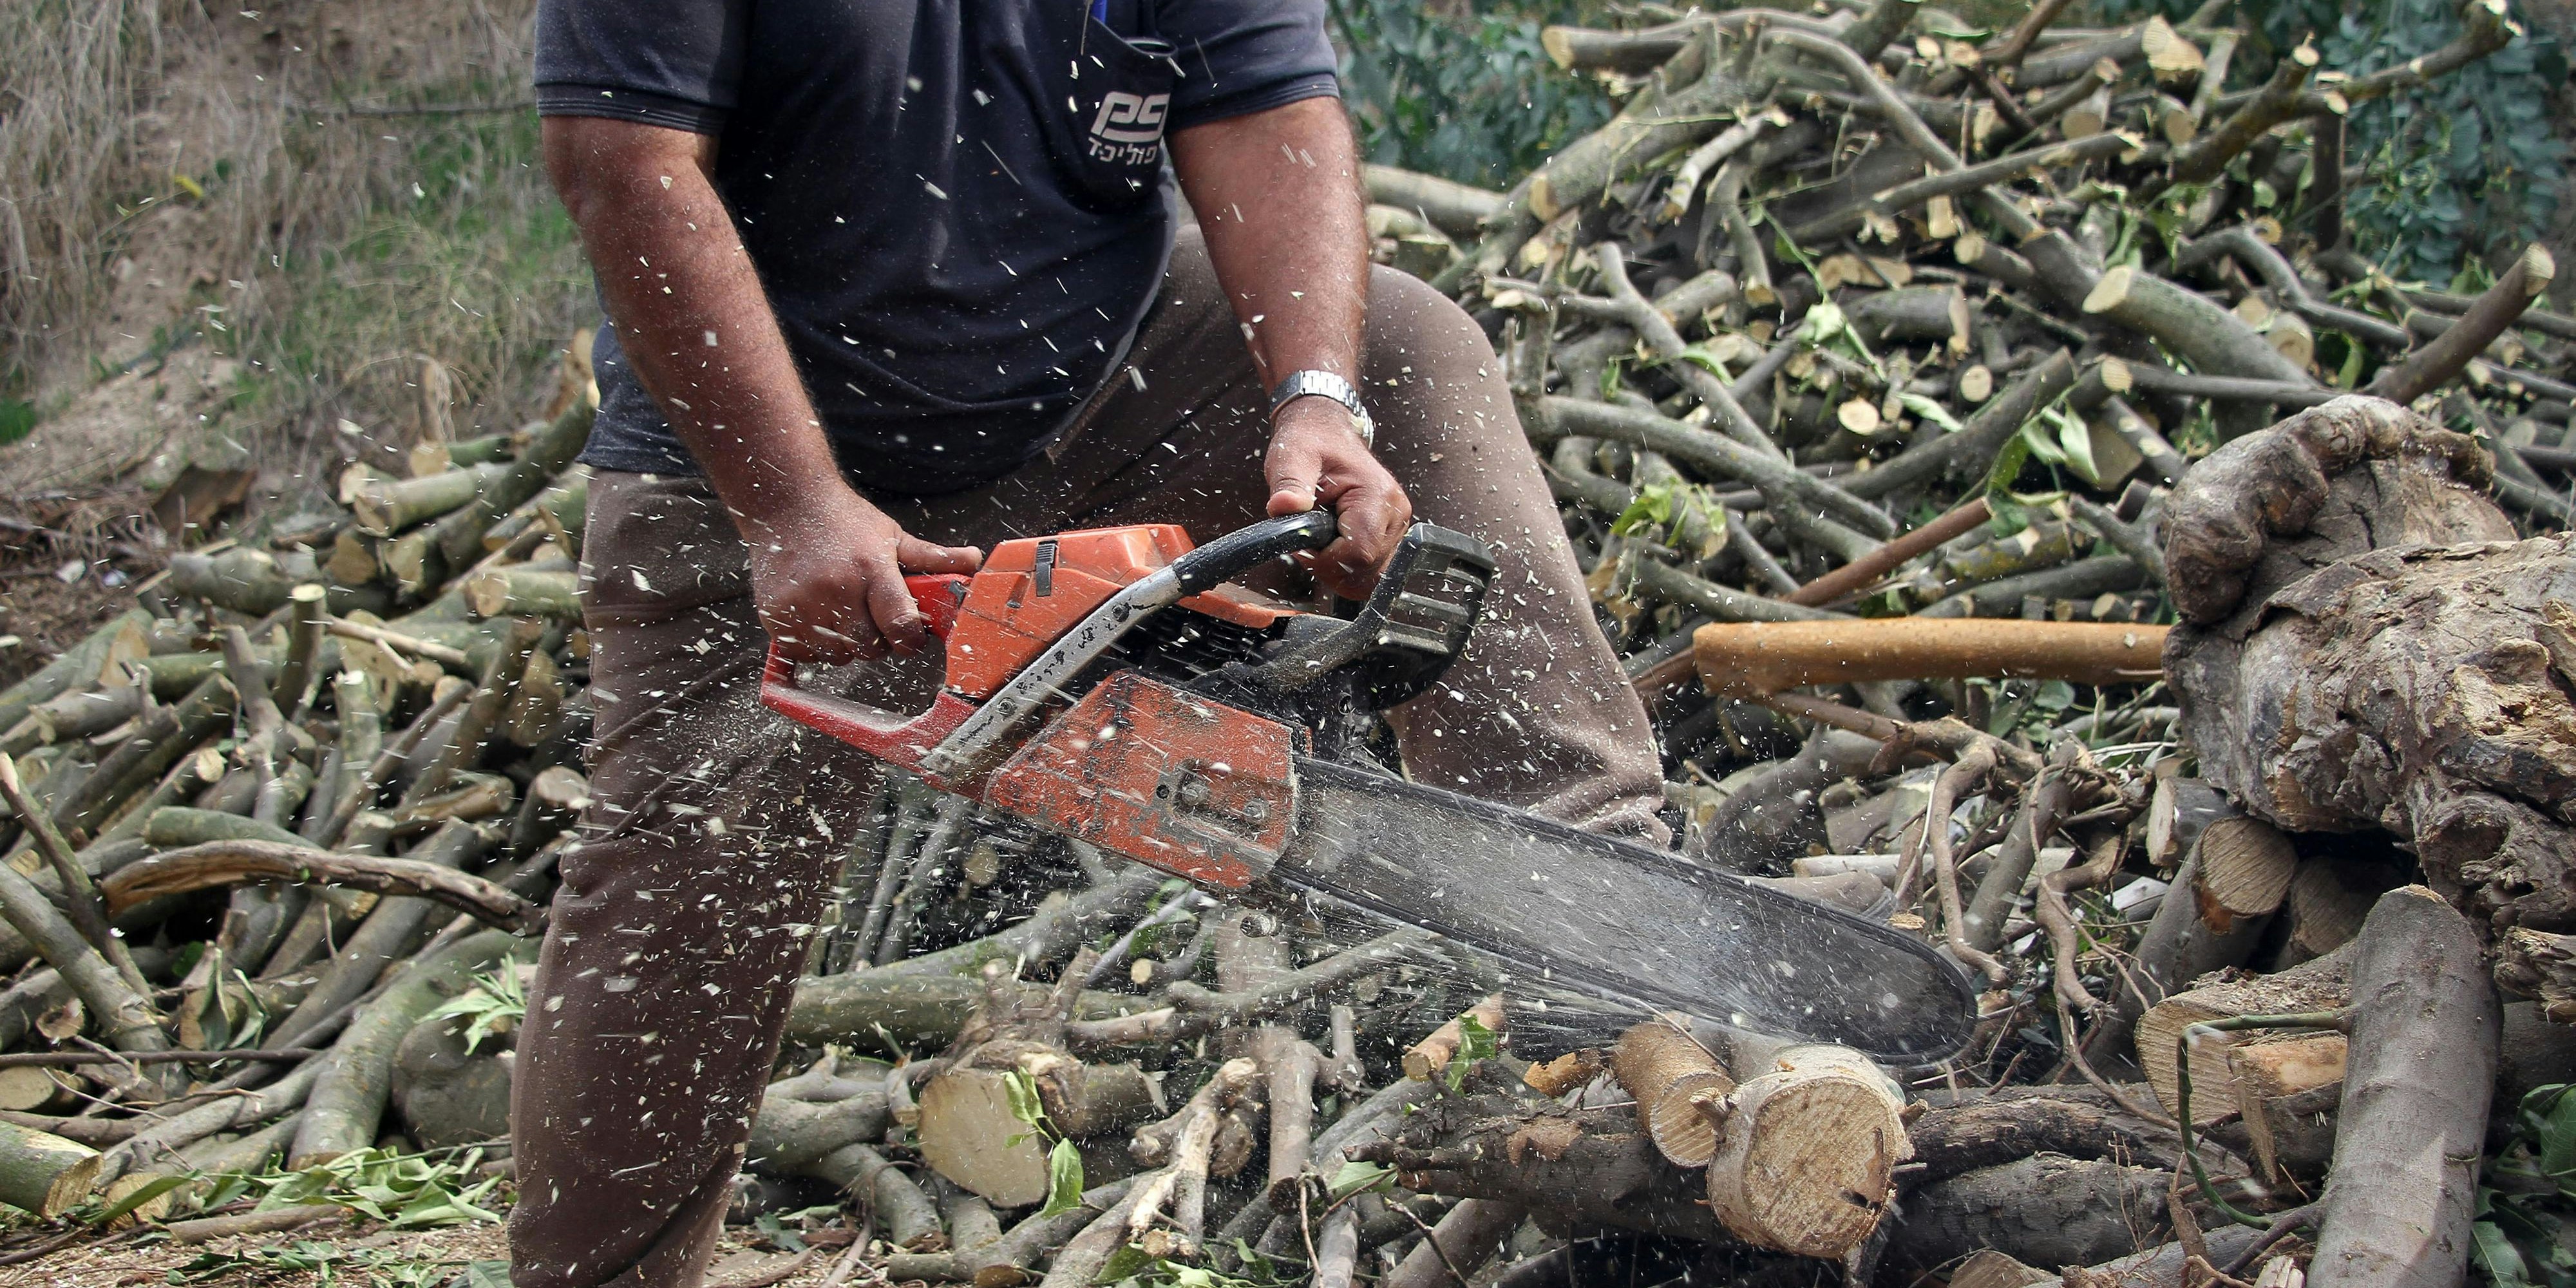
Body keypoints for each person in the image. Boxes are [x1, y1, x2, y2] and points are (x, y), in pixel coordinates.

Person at [513, 0, 1665, 1280]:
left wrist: (1312, 395)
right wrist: (786, 505)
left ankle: (1602, 902)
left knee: (1401, 348)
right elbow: (621, 165)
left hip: (1102, 382)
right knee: (688, 888)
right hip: (749, 449)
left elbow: (1265, 104)